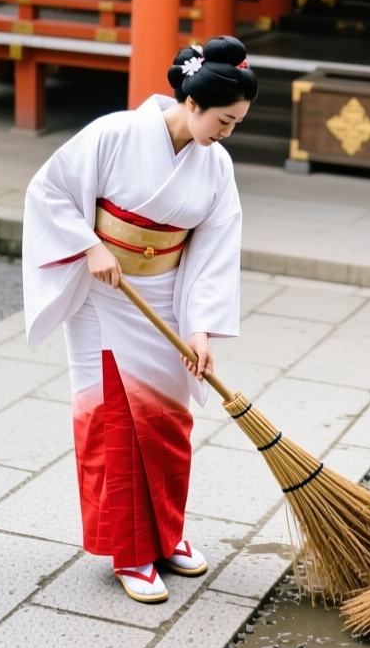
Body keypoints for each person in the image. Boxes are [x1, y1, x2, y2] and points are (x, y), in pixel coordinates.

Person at [22, 35, 258, 604]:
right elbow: (48, 189)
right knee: (117, 423)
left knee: (169, 425)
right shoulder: (114, 133)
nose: (227, 134)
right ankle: (131, 554)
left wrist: (199, 327)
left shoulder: (216, 164)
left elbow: (214, 248)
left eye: (236, 124)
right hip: (103, 294)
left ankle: (168, 535)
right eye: (224, 121)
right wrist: (88, 246)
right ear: (194, 103)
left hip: (167, 296)